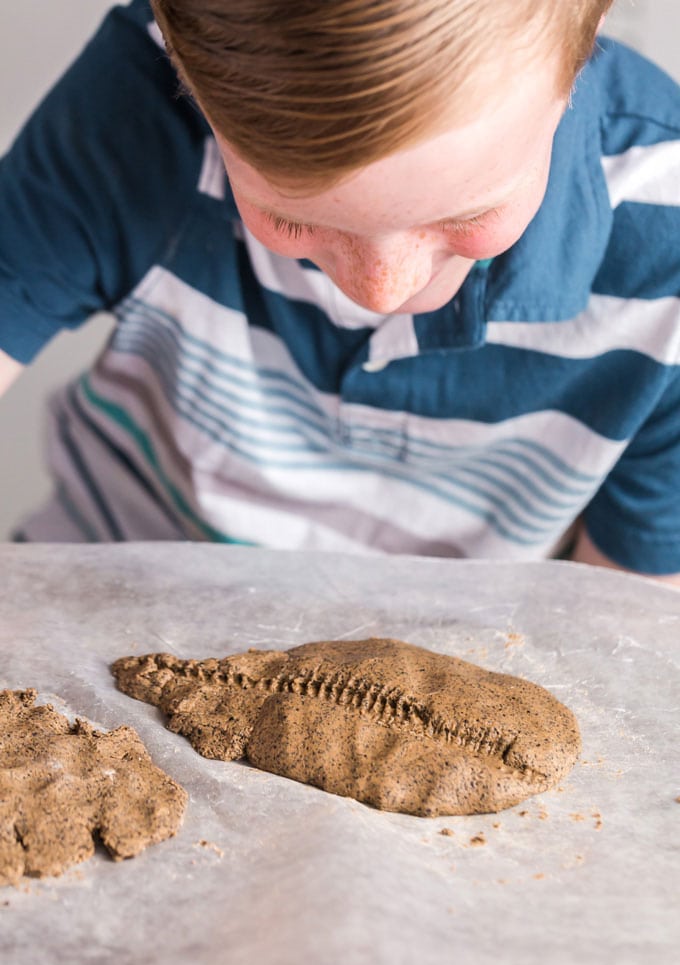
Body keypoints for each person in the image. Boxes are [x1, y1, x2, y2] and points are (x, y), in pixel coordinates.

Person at [1, 0, 679, 584]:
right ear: (186, 74)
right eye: (295, 219)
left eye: (467, 217)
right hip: (110, 588)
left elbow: (618, 624)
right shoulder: (136, 112)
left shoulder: (665, 246)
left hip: (455, 687)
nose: (385, 291)